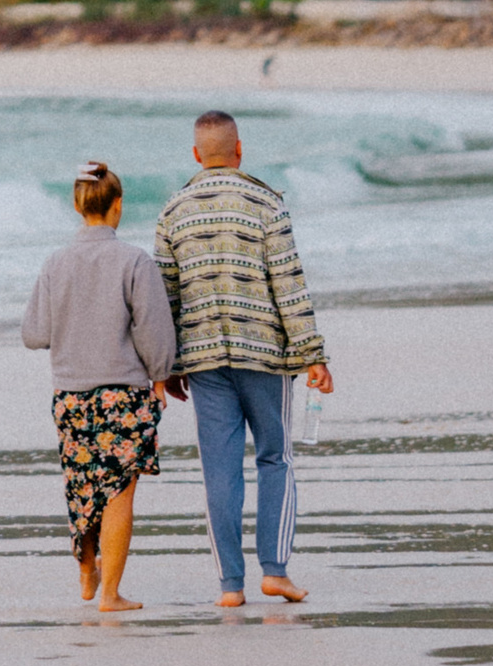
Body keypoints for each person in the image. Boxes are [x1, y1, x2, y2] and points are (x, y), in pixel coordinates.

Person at [155, 109, 332, 607]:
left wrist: (168, 365)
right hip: (266, 355)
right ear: (239, 149)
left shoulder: (173, 210)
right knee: (275, 457)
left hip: (204, 359)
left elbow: (164, 296)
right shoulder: (267, 203)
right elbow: (288, 283)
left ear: (196, 154)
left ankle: (230, 585)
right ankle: (274, 571)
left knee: (220, 470)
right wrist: (312, 355)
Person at [22, 159, 176, 608]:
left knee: (82, 485)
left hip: (70, 393)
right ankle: (110, 592)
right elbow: (153, 332)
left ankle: (88, 571)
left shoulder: (55, 263)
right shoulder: (133, 260)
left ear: (76, 205)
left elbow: (34, 333)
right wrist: (161, 377)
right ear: (118, 206)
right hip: (123, 393)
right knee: (119, 492)